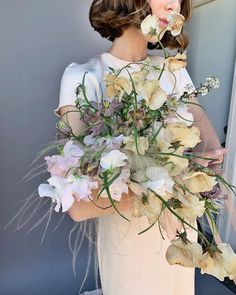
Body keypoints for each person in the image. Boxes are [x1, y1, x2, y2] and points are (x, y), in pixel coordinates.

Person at [54, 0, 227, 294]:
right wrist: (169, 190)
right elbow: (80, 205)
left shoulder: (175, 72)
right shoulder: (83, 77)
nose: (175, 3)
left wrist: (193, 173)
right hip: (128, 248)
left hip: (180, 240)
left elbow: (211, 158)